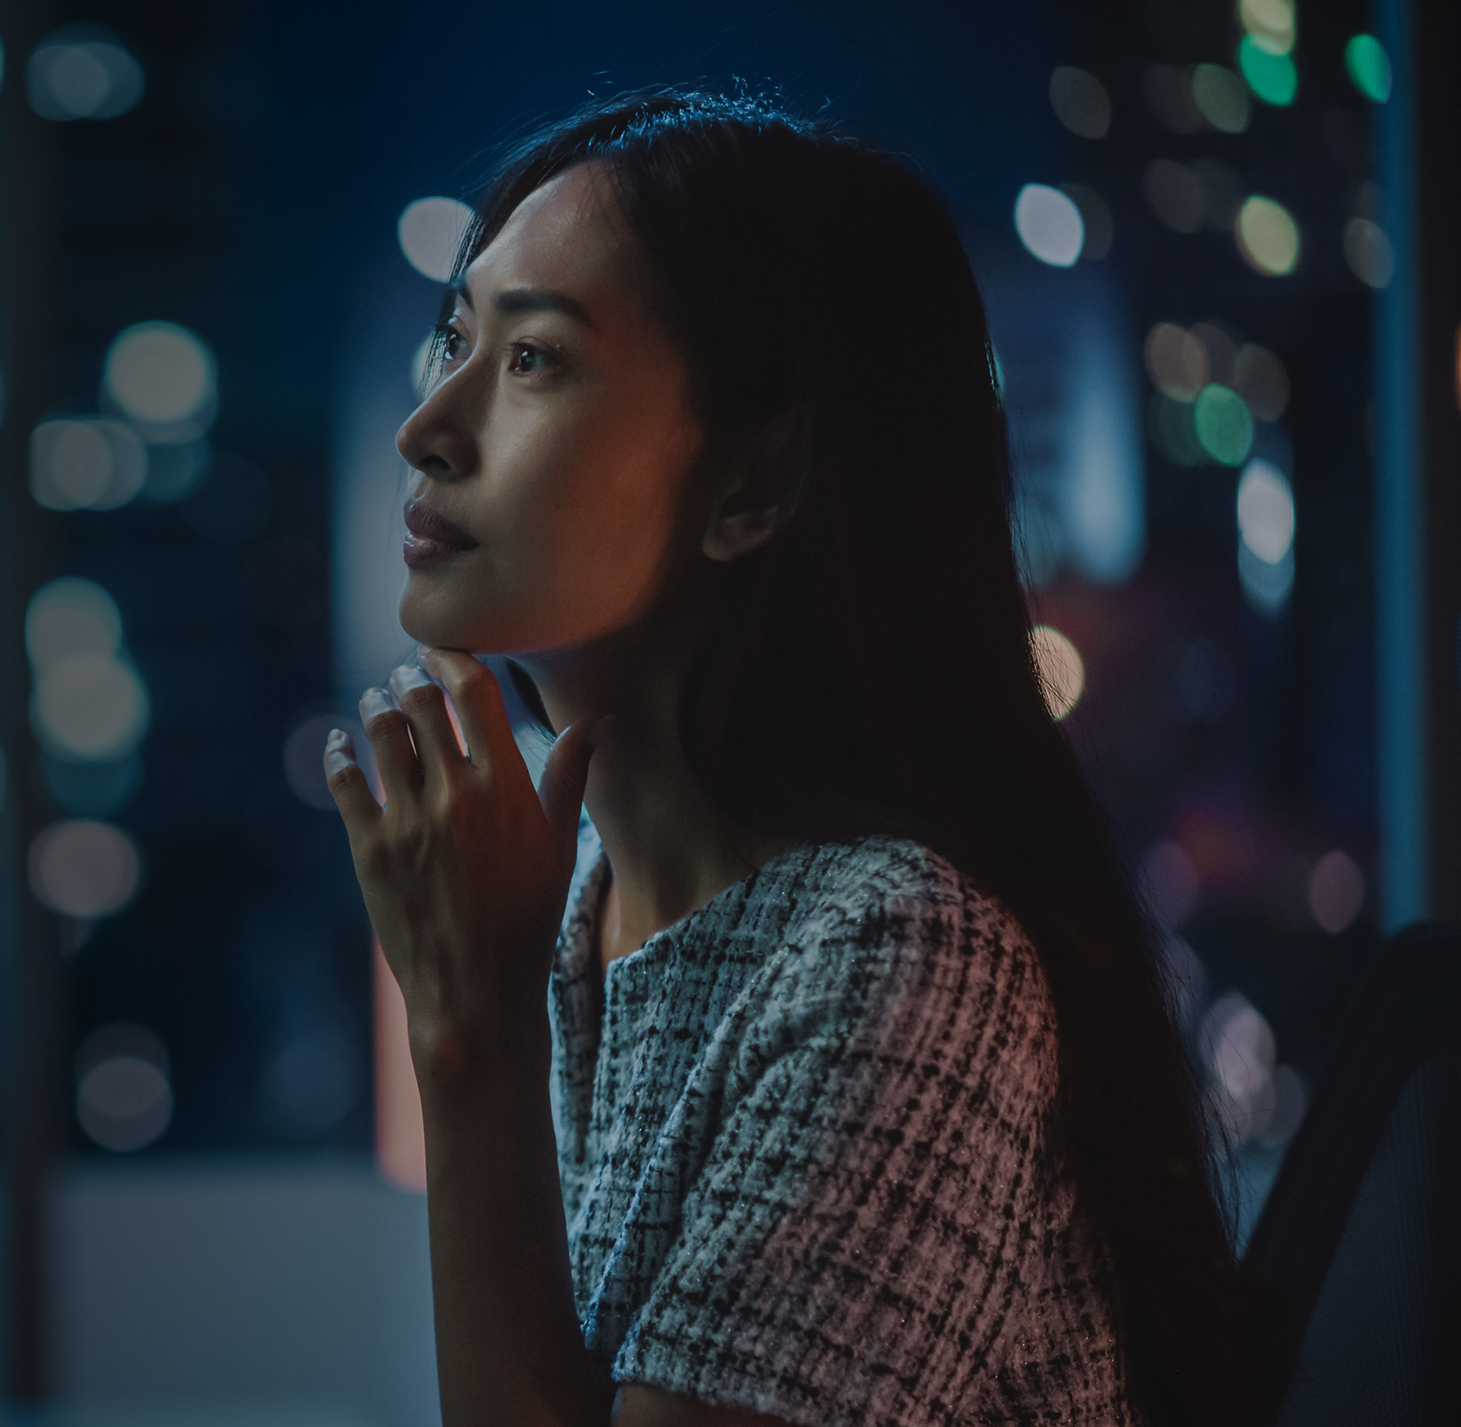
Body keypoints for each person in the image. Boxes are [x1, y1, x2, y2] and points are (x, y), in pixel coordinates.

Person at [321, 90, 1249, 1426]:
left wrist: (469, 1043)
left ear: (755, 486)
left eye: (533, 360)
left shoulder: (901, 959)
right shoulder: (588, 904)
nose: (429, 426)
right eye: (455, 338)